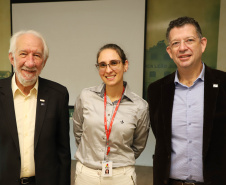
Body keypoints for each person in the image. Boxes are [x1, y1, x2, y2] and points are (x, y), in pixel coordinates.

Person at [147, 16, 226, 185]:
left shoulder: (224, 84)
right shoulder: (156, 91)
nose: (182, 48)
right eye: (176, 43)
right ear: (169, 51)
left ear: (202, 44)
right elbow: (161, 138)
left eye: (189, 40)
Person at [0, 30, 71, 185]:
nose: (30, 63)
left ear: (44, 61)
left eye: (37, 55)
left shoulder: (58, 95)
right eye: (23, 54)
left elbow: (63, 151)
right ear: (12, 58)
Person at [73, 43, 150, 185]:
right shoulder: (85, 97)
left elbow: (138, 145)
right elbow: (78, 133)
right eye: (102, 65)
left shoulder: (140, 106)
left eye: (114, 63)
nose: (108, 70)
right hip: (87, 174)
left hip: (121, 175)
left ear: (125, 65)